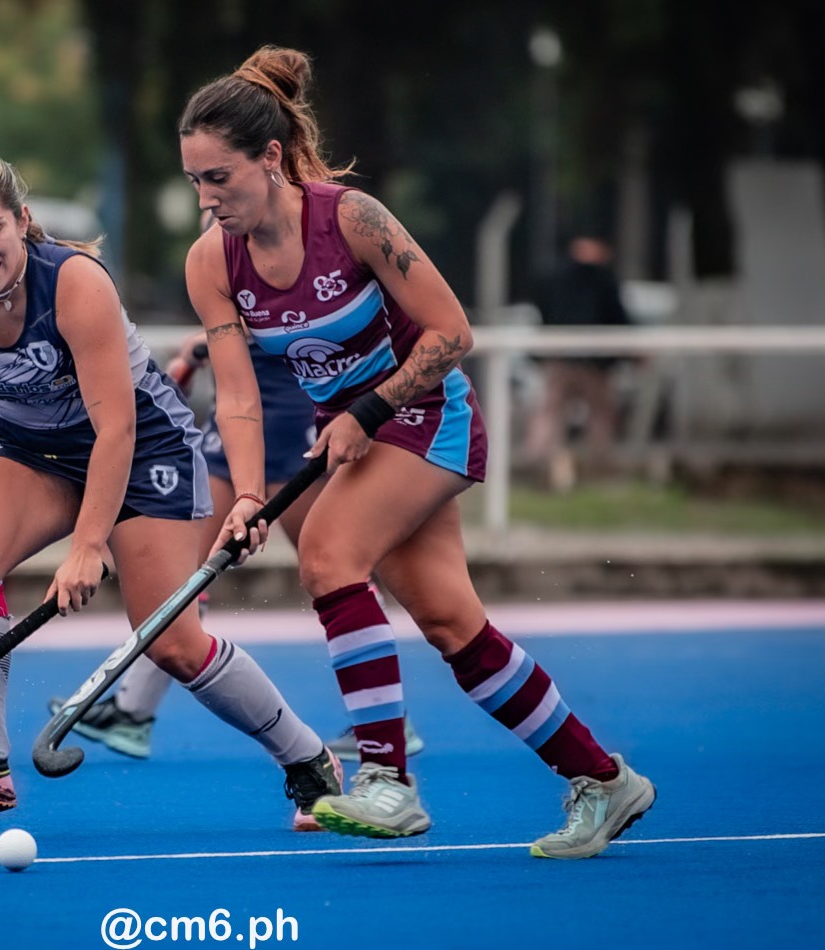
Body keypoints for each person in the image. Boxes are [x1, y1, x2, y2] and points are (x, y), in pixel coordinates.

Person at [177, 47, 655, 858]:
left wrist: (372, 405)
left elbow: (453, 333)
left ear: (268, 158)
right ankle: (604, 780)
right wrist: (250, 496)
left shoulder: (352, 219)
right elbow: (238, 397)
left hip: (428, 416)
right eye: (194, 180)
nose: (206, 197)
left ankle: (387, 780)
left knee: (328, 553)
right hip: (361, 435)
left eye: (219, 177)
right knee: (450, 624)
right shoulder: (210, 262)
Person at [0, 149, 342, 830]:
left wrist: (87, 546)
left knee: (171, 642)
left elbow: (116, 430)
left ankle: (310, 761)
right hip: (33, 450)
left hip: (142, 449)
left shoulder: (76, 286)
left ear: (22, 221)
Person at [49, 327, 424, 764]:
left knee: (334, 570)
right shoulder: (216, 261)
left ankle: (387, 717)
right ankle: (134, 711)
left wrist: (223, 336)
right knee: (185, 571)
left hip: (283, 415)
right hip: (234, 417)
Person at [520, 235, 632, 491]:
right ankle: (599, 468)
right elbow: (617, 316)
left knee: (549, 413)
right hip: (595, 359)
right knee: (599, 416)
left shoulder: (553, 276)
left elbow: (540, 311)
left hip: (559, 355)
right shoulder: (604, 279)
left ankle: (535, 462)